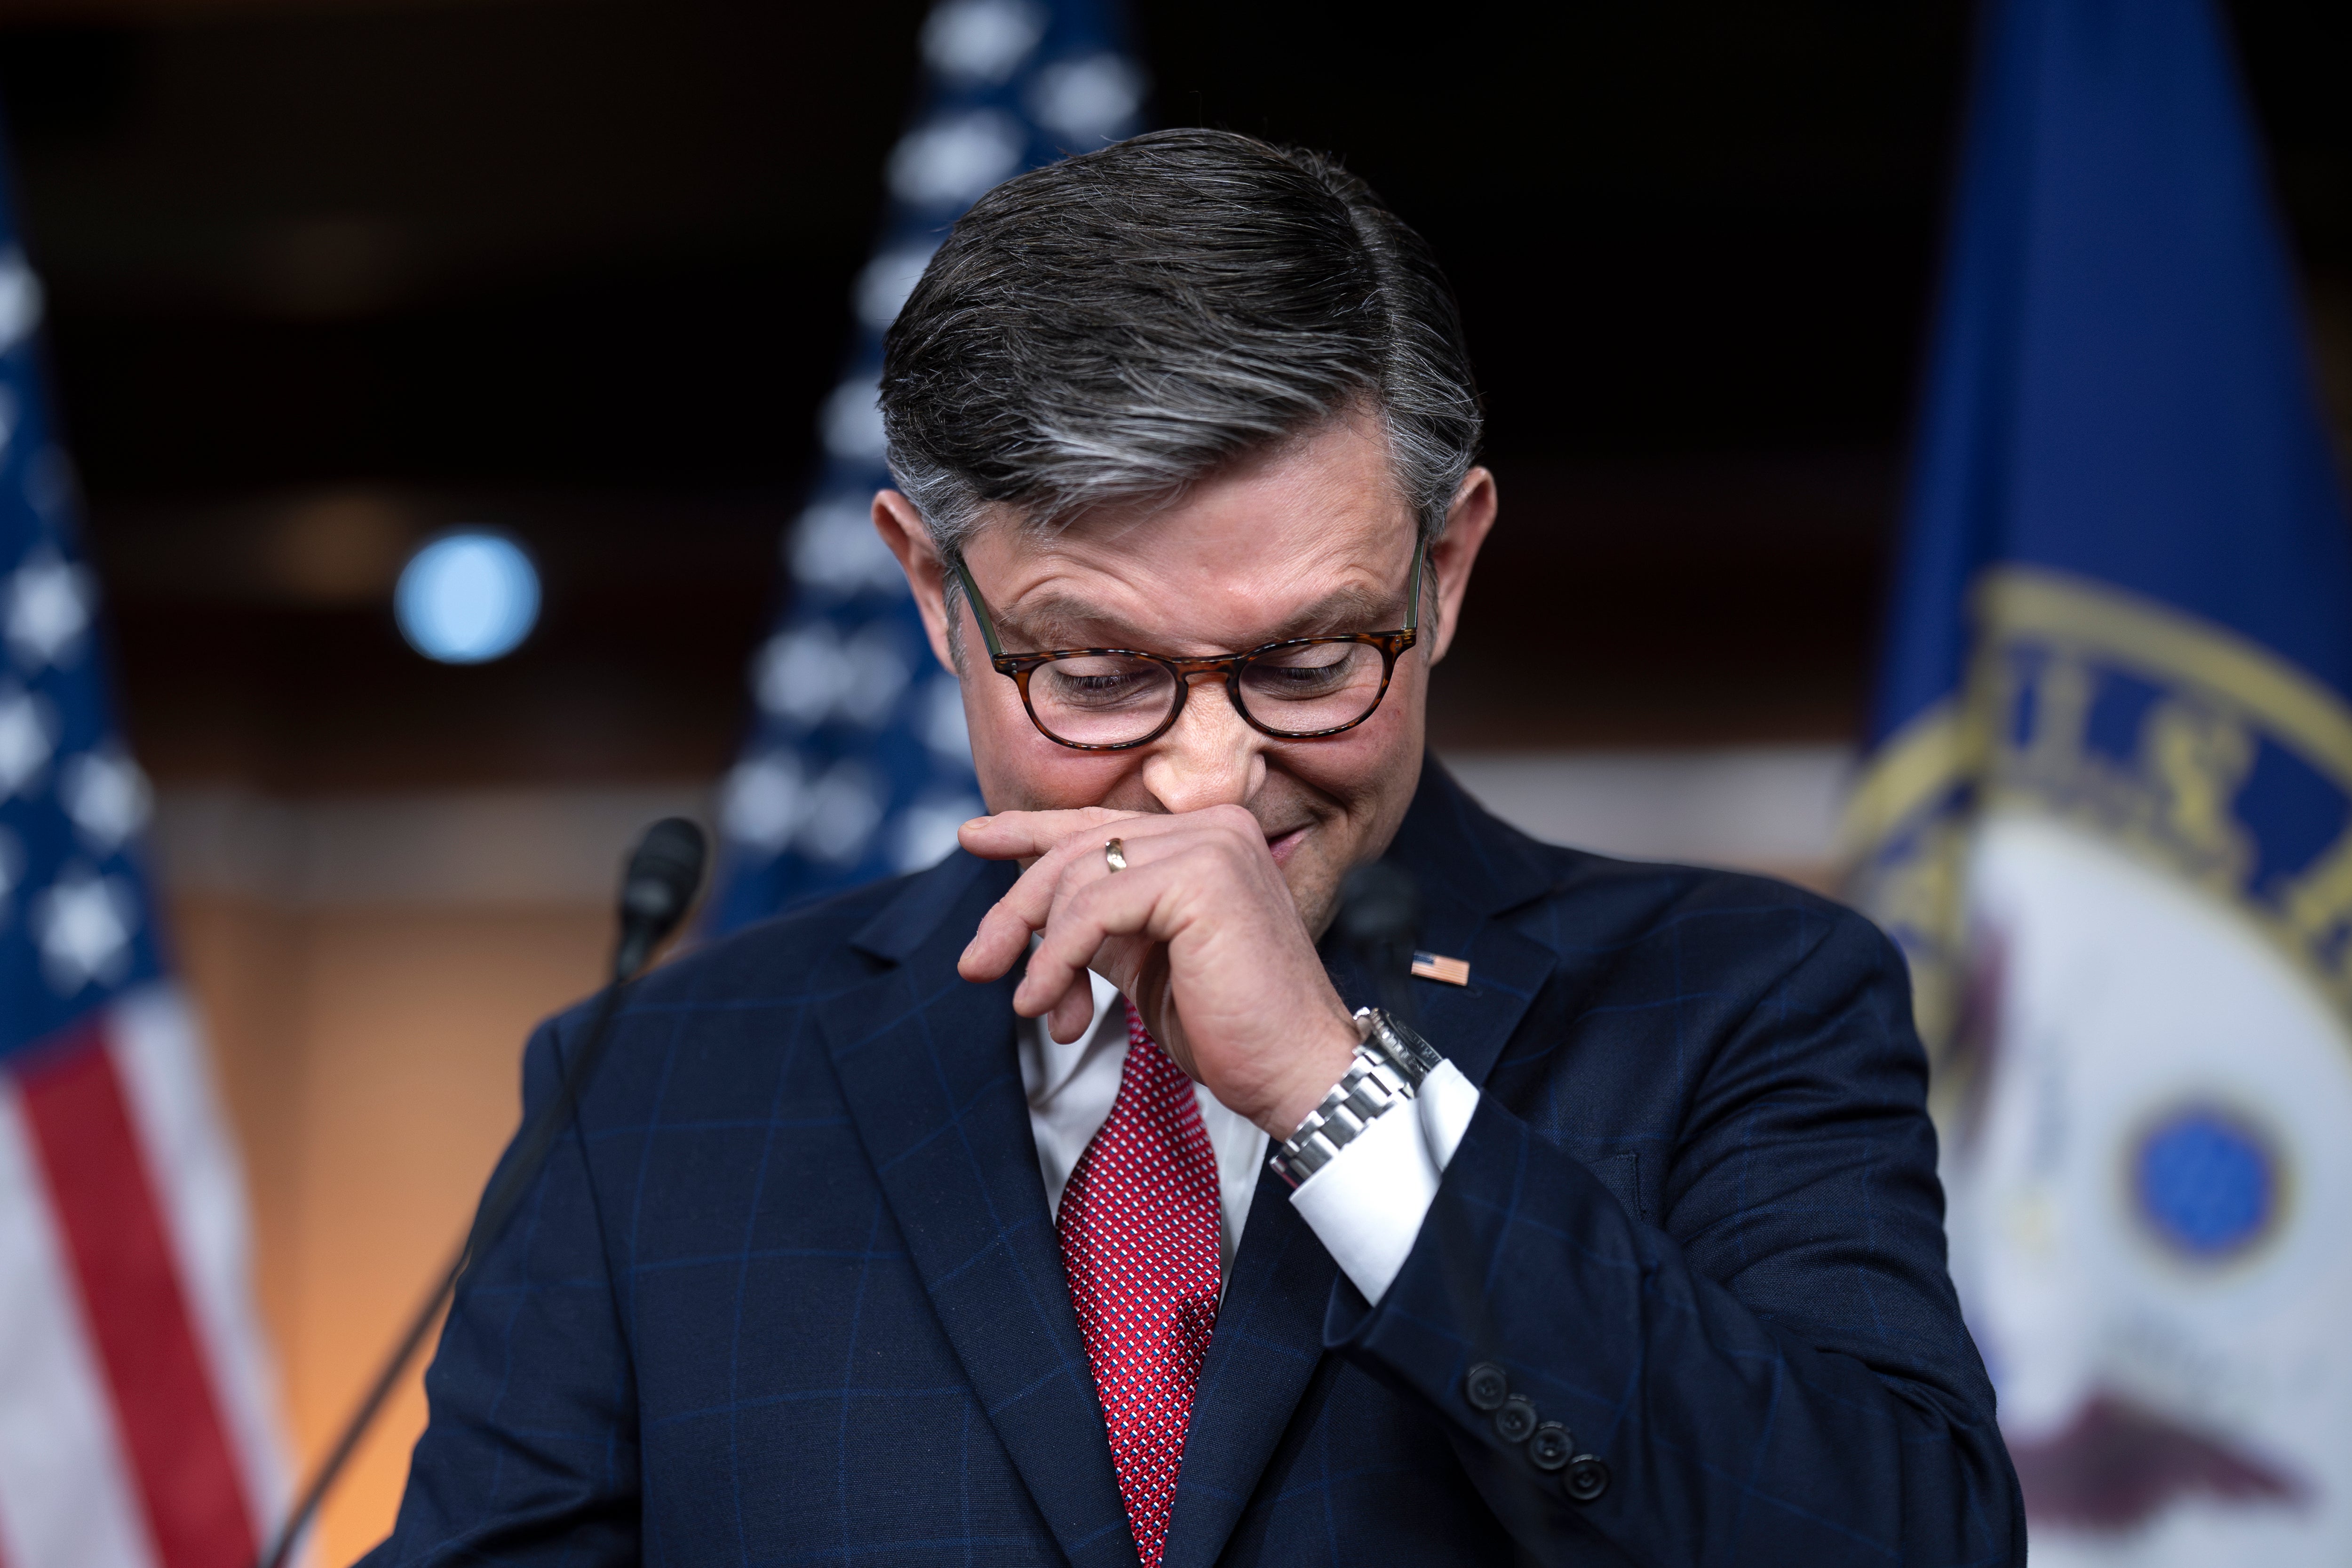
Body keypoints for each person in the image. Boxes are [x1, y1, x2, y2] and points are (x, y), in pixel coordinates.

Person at [363, 129, 2023, 1567]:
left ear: (1445, 570)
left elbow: (1899, 1542)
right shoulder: (652, 1092)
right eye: (1099, 675)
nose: (1210, 781)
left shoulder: (1743, 1003)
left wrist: (1334, 1090)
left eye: (1310, 663)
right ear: (936, 592)